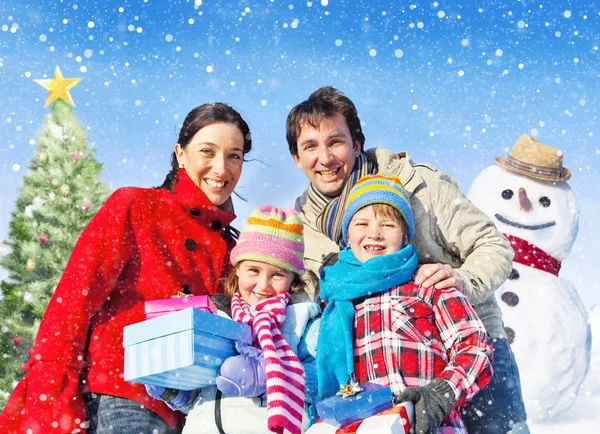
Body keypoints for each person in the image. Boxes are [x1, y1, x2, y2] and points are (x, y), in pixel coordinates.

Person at [288, 86, 529, 433]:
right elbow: (305, 295)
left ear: (356, 144)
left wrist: (461, 281)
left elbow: (492, 245)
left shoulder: (419, 185)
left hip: (470, 342)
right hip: (379, 369)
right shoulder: (303, 227)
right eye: (310, 146)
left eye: (335, 142)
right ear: (297, 158)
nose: (325, 158)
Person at [0, 102, 252, 434]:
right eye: (208, 151)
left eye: (234, 155)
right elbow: (73, 301)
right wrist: (52, 394)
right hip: (124, 397)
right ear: (180, 154)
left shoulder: (233, 251)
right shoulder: (136, 206)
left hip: (195, 413)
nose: (221, 168)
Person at [316, 174, 494, 433]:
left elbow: (476, 348)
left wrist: (440, 393)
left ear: (404, 235)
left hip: (433, 427)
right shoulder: (334, 300)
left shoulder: (430, 284)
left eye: (387, 225)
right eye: (361, 223)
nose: (374, 233)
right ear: (347, 234)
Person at [146, 205, 321, 434]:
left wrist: (267, 375)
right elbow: (200, 399)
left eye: (277, 274)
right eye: (253, 270)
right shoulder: (213, 317)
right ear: (237, 269)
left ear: (292, 279)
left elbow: (323, 379)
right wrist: (173, 389)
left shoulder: (302, 318)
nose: (263, 285)